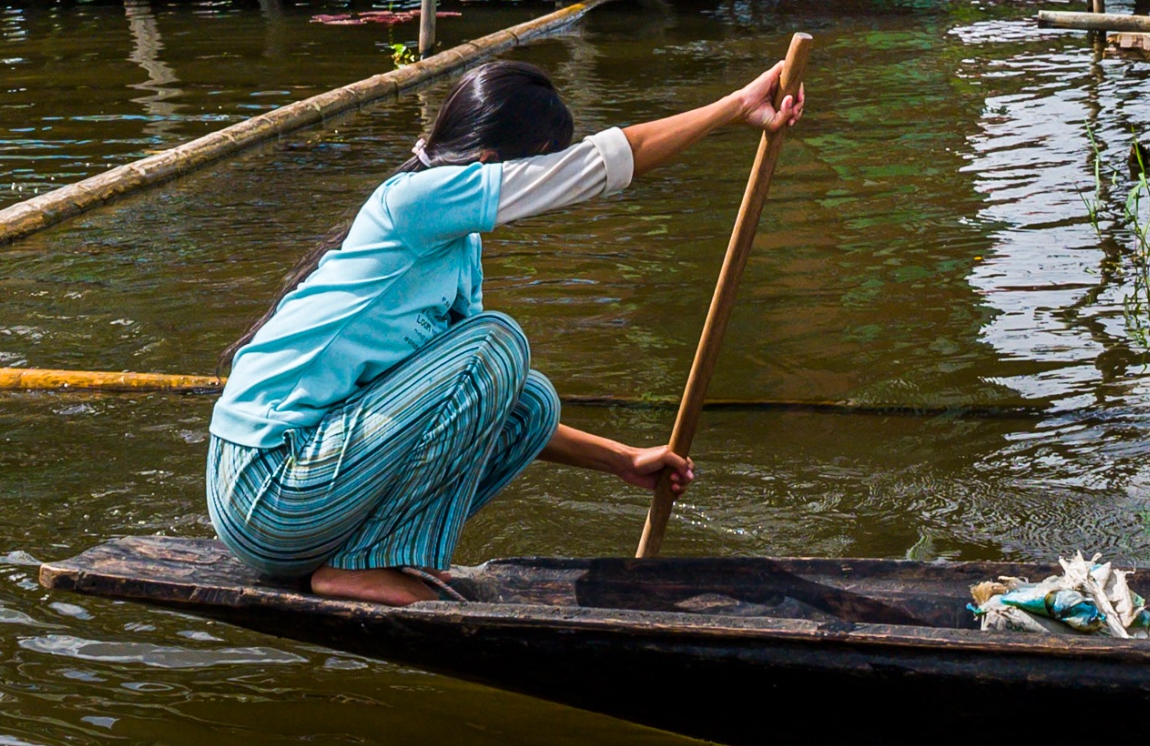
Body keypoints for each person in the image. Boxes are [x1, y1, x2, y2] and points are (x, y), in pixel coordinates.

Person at [206, 54, 805, 607]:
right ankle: (366, 564)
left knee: (530, 401)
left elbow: (479, 399)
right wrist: (733, 108)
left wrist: (622, 459)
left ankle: (373, 555)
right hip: (267, 491)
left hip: (307, 503)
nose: (543, 182)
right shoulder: (418, 199)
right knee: (497, 341)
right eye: (538, 165)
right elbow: (602, 164)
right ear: (493, 161)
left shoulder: (456, 249)